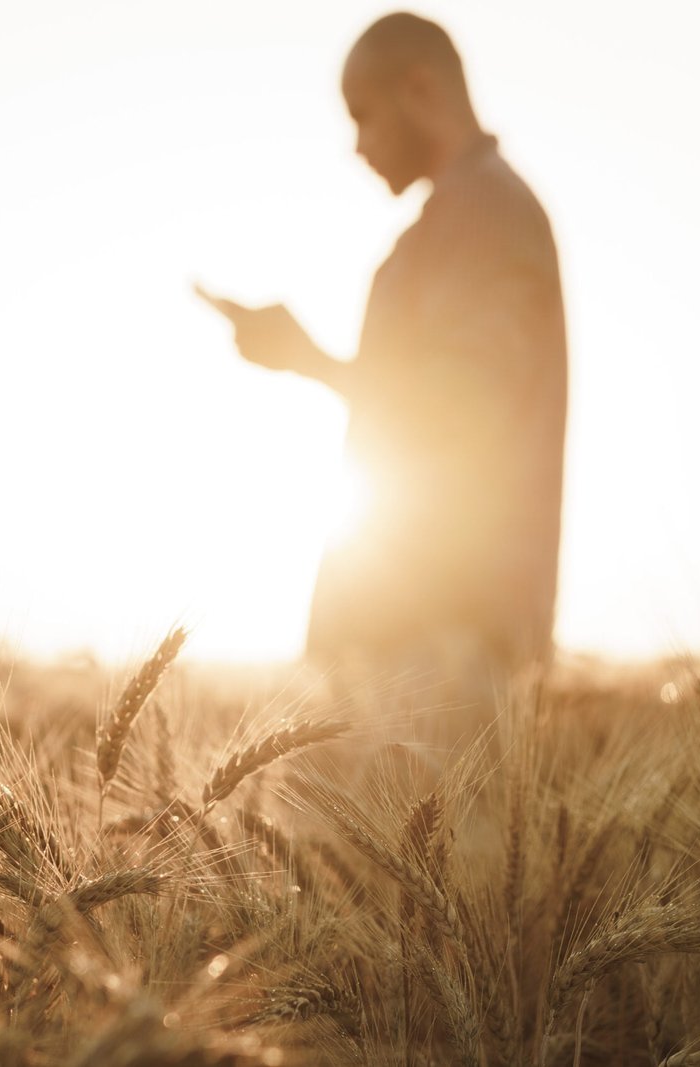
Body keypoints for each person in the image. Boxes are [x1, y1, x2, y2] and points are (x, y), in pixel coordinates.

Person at [204, 13, 567, 683]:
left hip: (449, 635)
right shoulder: (453, 221)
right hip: (414, 631)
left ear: (420, 89)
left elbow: (466, 399)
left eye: (363, 115)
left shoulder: (490, 213)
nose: (357, 145)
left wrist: (307, 358)